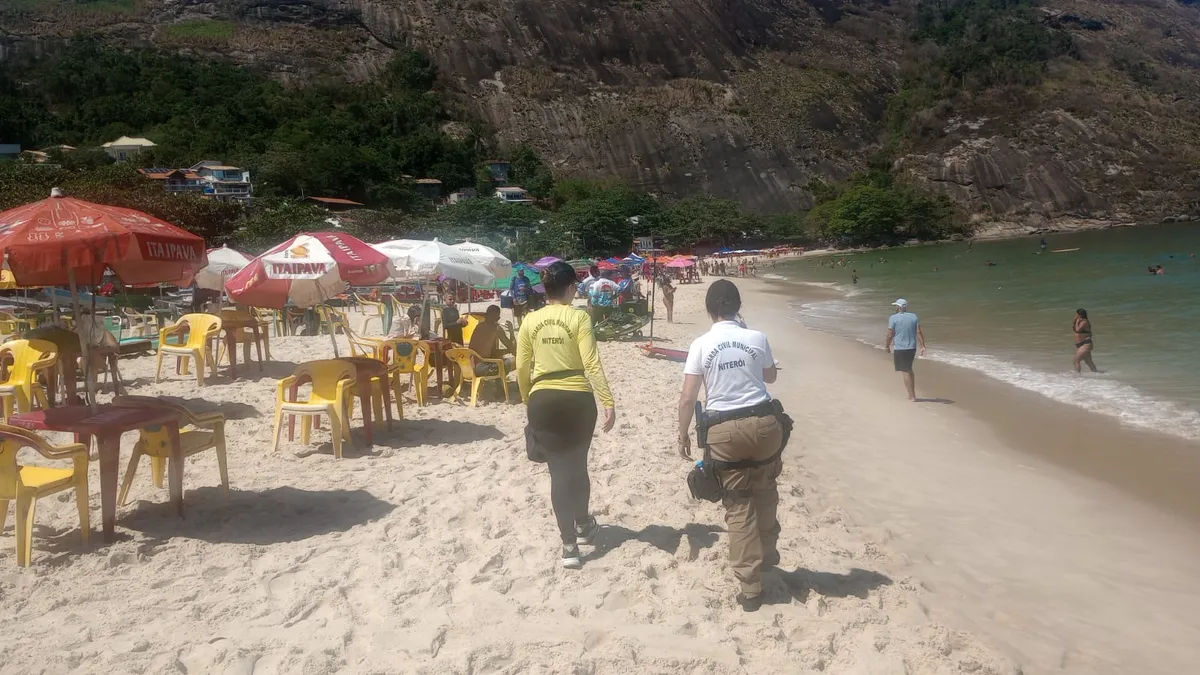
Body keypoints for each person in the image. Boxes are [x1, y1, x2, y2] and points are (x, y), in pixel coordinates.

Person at [677, 280, 784, 612]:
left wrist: (682, 435)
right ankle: (767, 554)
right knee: (765, 486)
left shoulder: (701, 344)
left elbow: (688, 397)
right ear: (739, 307)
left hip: (724, 429)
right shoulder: (756, 337)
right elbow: (771, 378)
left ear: (710, 310)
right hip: (766, 424)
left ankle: (751, 587)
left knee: (738, 505)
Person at [517, 262, 616, 570]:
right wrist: (607, 400)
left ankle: (570, 545)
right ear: (572, 288)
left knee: (559, 472)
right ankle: (583, 526)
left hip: (542, 398)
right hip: (577, 398)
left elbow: (521, 367)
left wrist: (527, 399)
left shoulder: (529, 320)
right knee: (577, 465)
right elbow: (591, 362)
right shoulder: (579, 317)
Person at [885, 299, 926, 402]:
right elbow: (918, 332)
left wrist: (886, 346)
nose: (895, 308)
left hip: (900, 348)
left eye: (896, 306)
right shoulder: (913, 316)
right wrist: (923, 346)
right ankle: (912, 394)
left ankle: (912, 396)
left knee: (905, 371)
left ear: (898, 307)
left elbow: (890, 334)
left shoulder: (893, 318)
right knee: (909, 369)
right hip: (912, 347)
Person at [468, 305, 515, 376]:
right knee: (516, 361)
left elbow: (488, 352)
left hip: (471, 366)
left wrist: (506, 351)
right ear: (498, 318)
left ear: (486, 315)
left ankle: (500, 385)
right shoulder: (497, 329)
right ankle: (501, 385)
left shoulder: (478, 327)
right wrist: (511, 332)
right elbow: (512, 348)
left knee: (499, 359)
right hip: (484, 368)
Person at [1073, 308, 1097, 373]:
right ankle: (1096, 374)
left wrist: (1077, 321)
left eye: (1076, 314)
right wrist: (1075, 320)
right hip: (1081, 345)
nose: (1075, 315)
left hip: (1085, 344)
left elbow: (1078, 330)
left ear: (1079, 314)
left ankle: (1078, 376)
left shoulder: (1084, 321)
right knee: (1089, 362)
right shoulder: (1079, 321)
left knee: (1076, 361)